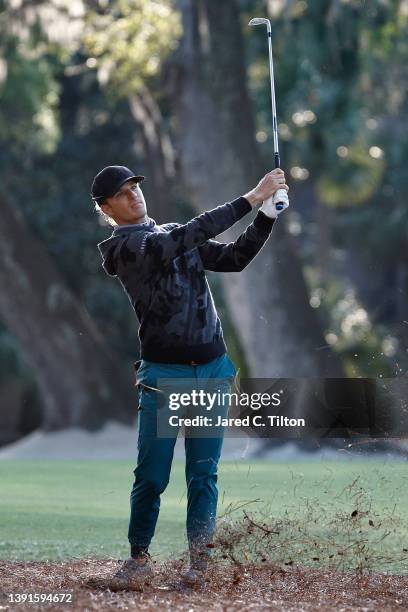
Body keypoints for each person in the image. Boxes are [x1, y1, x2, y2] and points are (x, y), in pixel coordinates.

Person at [91, 165, 289, 590]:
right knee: (152, 476)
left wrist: (267, 216)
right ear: (107, 208)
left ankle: (199, 566)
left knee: (203, 474)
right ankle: (138, 560)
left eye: (135, 188)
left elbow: (235, 259)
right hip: (165, 377)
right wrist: (252, 197)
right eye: (122, 194)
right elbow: (177, 241)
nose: (133, 196)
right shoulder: (123, 249)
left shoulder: (174, 233)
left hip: (211, 370)